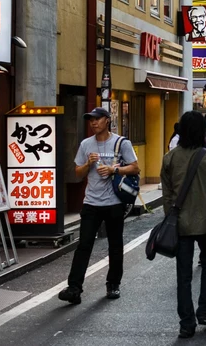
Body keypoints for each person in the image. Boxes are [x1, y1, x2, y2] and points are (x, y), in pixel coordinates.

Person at [161, 111, 206, 339]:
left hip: (180, 224)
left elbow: (167, 196)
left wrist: (169, 221)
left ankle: (186, 322)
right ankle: (205, 310)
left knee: (183, 274)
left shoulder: (170, 158)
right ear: (203, 131)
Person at [59, 107, 139, 304]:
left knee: (115, 245)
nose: (93, 123)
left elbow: (135, 167)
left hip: (114, 203)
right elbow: (78, 173)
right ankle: (74, 288)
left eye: (97, 119)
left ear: (106, 120)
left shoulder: (121, 143)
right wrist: (88, 164)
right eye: (90, 120)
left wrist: (114, 170)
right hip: (91, 203)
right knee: (84, 245)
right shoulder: (86, 144)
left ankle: (113, 284)